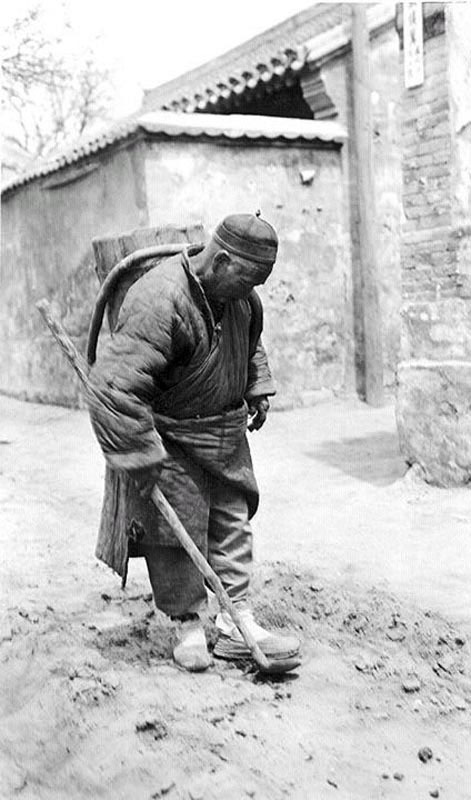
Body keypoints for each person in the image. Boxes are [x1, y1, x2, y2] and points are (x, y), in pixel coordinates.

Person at [87, 213, 300, 671]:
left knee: (232, 520)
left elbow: (249, 340)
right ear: (221, 260)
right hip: (172, 436)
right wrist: (139, 452)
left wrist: (255, 385)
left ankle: (235, 622)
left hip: (223, 434)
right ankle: (187, 626)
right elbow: (115, 385)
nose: (251, 292)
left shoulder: (242, 299)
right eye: (247, 280)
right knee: (172, 534)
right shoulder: (160, 299)